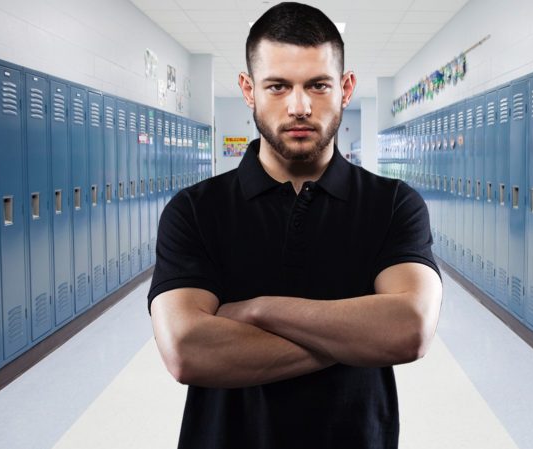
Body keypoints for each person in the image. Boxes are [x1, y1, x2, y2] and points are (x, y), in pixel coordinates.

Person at [147, 3, 443, 448]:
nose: (300, 106)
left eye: (318, 85)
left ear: (346, 87)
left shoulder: (393, 204)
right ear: (249, 90)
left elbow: (409, 329)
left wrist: (258, 310)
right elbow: (187, 349)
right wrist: (356, 338)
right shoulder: (195, 210)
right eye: (278, 86)